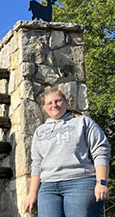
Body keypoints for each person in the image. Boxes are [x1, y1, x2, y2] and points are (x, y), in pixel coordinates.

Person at [23, 86, 111, 217]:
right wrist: (32, 193)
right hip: (48, 188)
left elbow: (100, 151)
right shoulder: (40, 131)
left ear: (66, 102)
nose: (54, 105)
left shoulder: (83, 122)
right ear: (45, 107)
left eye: (58, 101)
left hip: (80, 182)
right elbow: (37, 164)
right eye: (49, 103)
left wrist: (101, 183)